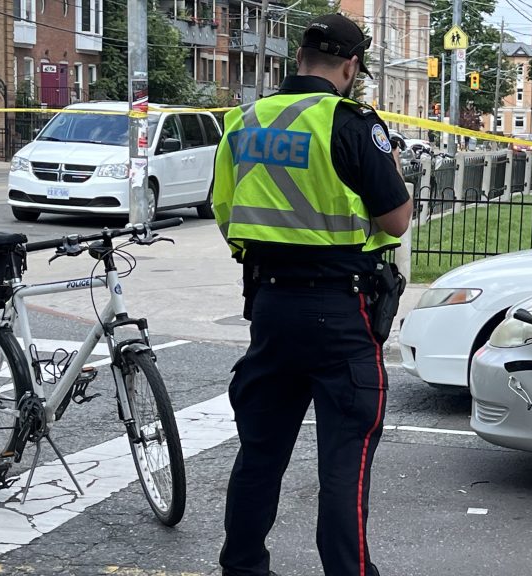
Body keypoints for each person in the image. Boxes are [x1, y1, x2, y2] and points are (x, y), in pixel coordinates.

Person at [211, 12, 412, 576]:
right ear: (350, 67)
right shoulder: (349, 122)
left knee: (260, 454)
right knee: (343, 465)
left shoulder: (244, 121)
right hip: (341, 310)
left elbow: (226, 213)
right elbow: (395, 220)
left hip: (271, 308)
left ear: (296, 60)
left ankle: (243, 566)